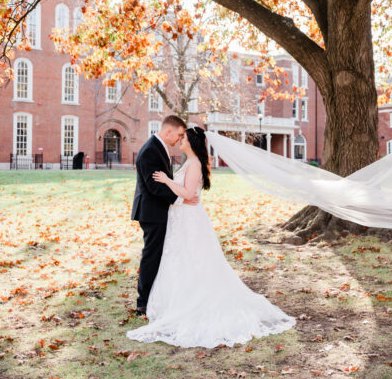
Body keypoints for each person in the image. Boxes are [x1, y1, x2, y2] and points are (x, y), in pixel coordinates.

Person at [126, 126, 296, 348]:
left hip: (189, 219)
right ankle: (172, 301)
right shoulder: (189, 162)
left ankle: (191, 302)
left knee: (194, 259)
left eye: (183, 137)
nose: (180, 140)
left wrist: (167, 181)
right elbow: (185, 192)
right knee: (180, 259)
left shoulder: (194, 164)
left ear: (192, 142)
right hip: (181, 218)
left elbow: (188, 194)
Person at [131, 115, 198, 316]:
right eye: (178, 135)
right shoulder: (150, 150)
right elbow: (153, 187)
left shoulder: (158, 147)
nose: (179, 139)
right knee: (152, 256)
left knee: (158, 254)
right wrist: (181, 200)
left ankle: (154, 297)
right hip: (152, 212)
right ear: (168, 131)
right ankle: (143, 303)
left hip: (157, 211)